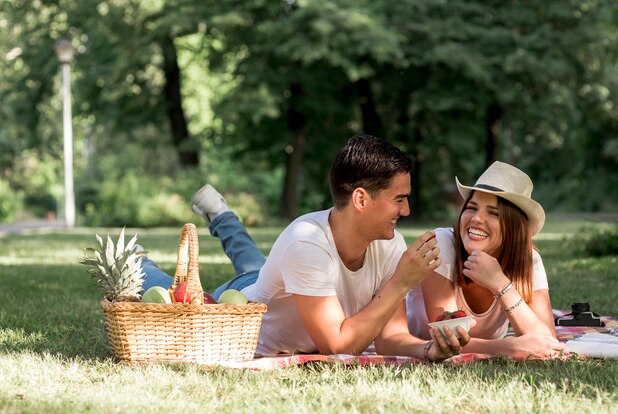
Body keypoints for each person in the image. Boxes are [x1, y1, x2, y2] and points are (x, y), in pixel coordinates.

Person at [141, 134, 470, 361]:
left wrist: (430, 350)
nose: (407, 210)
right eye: (399, 199)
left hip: (279, 283)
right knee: (171, 291)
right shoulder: (306, 243)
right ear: (361, 199)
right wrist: (401, 281)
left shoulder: (388, 244)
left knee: (254, 265)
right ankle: (139, 261)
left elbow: (389, 338)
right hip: (243, 303)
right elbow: (337, 345)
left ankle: (222, 215)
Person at [405, 161, 565, 359]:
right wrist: (510, 348)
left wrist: (500, 283)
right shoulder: (443, 245)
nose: (476, 219)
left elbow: (547, 341)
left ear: (515, 227)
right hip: (416, 346)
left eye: (493, 212)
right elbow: (448, 341)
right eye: (471, 208)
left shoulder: (529, 260)